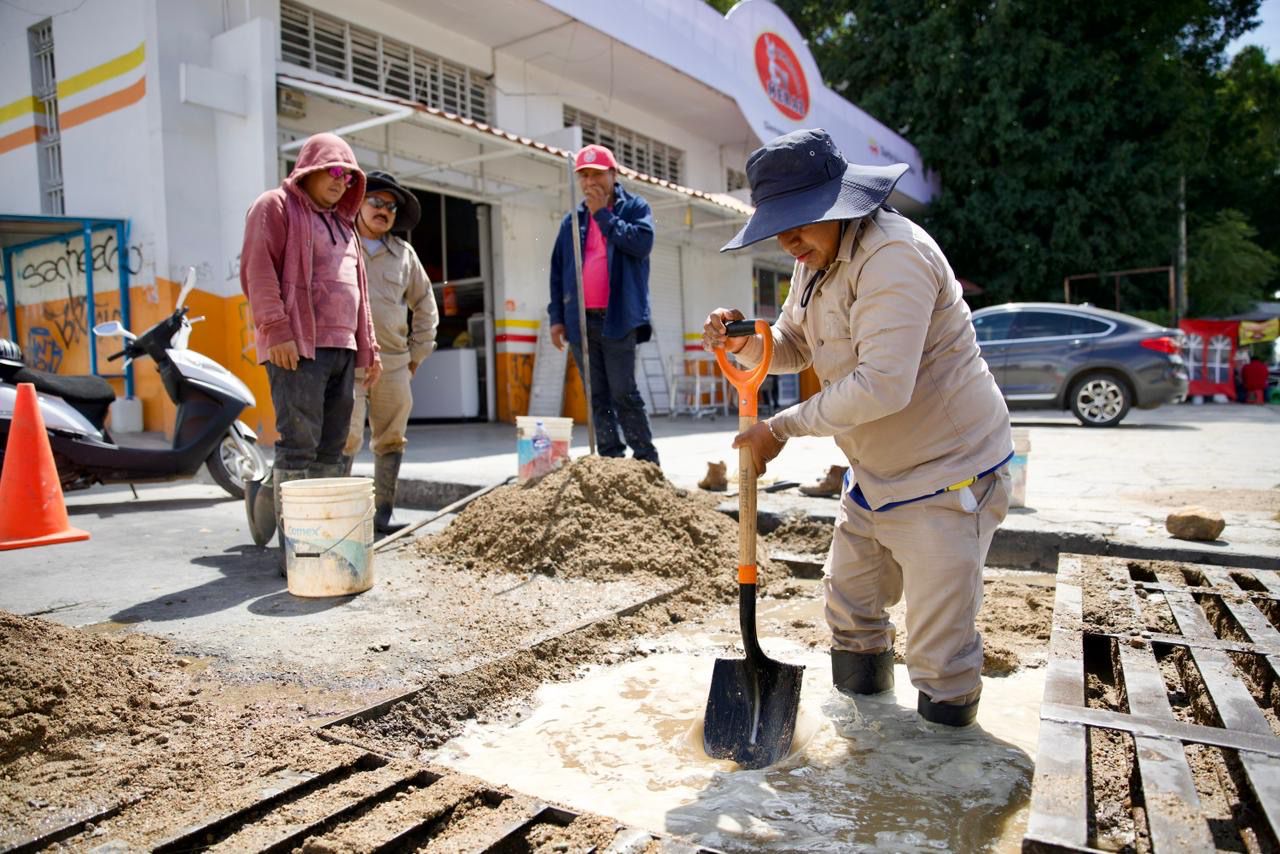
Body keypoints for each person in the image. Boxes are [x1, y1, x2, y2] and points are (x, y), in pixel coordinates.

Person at [703, 129, 1013, 727]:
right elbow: (795, 345)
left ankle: (946, 778)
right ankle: (870, 748)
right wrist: (746, 341)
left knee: (939, 656)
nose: (789, 239)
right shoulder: (814, 261)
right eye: (779, 225)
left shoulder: (894, 256)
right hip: (874, 476)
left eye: (801, 220)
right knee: (851, 615)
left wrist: (782, 428)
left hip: (949, 473)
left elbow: (881, 385)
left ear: (841, 203)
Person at [241, 132, 382, 565]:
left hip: (341, 349)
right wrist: (276, 329)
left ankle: (321, 541)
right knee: (298, 445)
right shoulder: (275, 207)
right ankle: (296, 553)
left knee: (332, 446)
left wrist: (369, 347)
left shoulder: (344, 225)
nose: (341, 181)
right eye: (333, 171)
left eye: (348, 174)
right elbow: (257, 269)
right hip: (297, 347)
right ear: (309, 170)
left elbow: (359, 291)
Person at [548, 144, 660, 467]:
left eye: (596, 173)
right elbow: (558, 271)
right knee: (596, 394)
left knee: (623, 390)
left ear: (613, 174)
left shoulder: (634, 208)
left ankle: (646, 461)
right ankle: (610, 459)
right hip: (580, 321)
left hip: (619, 317)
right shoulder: (571, 221)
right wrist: (557, 318)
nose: (589, 182)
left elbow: (641, 243)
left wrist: (603, 215)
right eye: (583, 175)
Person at [342, 170, 439, 534]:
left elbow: (425, 303)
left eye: (392, 207)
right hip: (347, 360)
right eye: (377, 202)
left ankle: (383, 512)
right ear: (359, 203)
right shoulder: (337, 241)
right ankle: (341, 516)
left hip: (395, 362)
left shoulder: (404, 254)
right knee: (346, 437)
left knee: (392, 436)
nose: (385, 211)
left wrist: (418, 353)